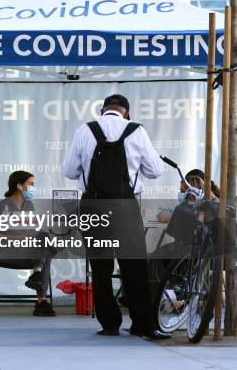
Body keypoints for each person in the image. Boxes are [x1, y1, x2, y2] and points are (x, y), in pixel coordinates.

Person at [62, 94, 170, 340]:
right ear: (126, 113)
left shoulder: (85, 130)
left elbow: (69, 170)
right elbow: (155, 171)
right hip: (124, 207)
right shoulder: (136, 130)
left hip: (93, 205)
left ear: (103, 111)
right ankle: (141, 324)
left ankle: (109, 324)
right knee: (134, 266)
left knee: (100, 267)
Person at [0, 171, 56, 316]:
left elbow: (30, 231)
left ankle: (37, 277)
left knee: (44, 238)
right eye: (31, 184)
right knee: (47, 254)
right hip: (7, 253)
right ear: (19, 186)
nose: (33, 188)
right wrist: (19, 238)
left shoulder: (29, 205)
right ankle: (41, 301)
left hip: (26, 251)